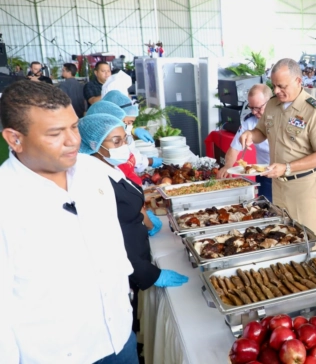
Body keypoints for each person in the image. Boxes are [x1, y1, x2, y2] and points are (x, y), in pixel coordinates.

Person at [0, 80, 138, 363]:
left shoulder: (92, 171)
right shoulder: (7, 200)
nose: (73, 140)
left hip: (119, 337)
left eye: (74, 127)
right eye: (55, 133)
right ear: (15, 139)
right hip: (58, 354)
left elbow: (112, 240)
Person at [78, 113, 188, 328]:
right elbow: (109, 238)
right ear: (93, 144)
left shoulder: (110, 167)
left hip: (137, 256)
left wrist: (143, 220)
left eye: (125, 139)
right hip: (128, 269)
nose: (124, 146)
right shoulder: (92, 179)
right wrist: (148, 273)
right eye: (116, 141)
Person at [239, 58, 316, 241]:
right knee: (283, 237)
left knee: (307, 240)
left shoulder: (314, 111)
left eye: (281, 86)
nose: (276, 91)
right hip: (279, 185)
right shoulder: (272, 104)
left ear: (298, 81)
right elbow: (261, 132)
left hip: (304, 188)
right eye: (274, 86)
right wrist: (250, 134)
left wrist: (287, 167)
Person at [217, 84, 273, 201]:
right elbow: (234, 148)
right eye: (251, 108)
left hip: (286, 173)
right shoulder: (250, 122)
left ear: (270, 102)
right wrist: (228, 166)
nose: (254, 112)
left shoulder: (282, 117)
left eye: (258, 108)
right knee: (267, 205)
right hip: (265, 174)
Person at [101, 91, 160, 174]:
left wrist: (133, 130)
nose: (130, 126)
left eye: (132, 122)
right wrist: (148, 161)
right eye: (128, 122)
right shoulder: (108, 138)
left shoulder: (119, 131)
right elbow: (127, 158)